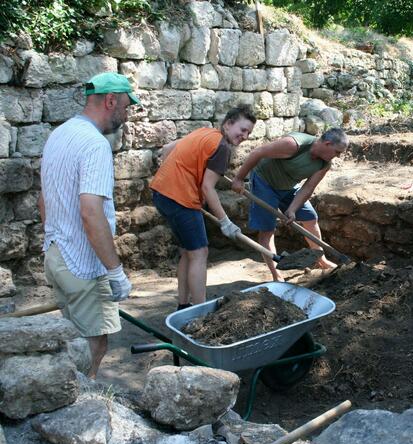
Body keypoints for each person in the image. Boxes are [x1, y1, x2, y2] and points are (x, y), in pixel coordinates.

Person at [39, 72, 139, 379]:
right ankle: (81, 409)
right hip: (83, 265)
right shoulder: (95, 145)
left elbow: (44, 199)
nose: (126, 114)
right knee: (93, 347)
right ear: (110, 101)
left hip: (56, 255)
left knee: (73, 342)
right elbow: (91, 213)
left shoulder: (60, 134)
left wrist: (55, 237)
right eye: (125, 106)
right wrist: (114, 271)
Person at [150, 105, 256, 310]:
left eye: (249, 133)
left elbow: (167, 149)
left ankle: (183, 305)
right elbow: (208, 188)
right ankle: (201, 311)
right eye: (242, 130)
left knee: (188, 252)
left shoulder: (204, 132)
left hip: (161, 193)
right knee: (200, 253)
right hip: (181, 199)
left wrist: (173, 173)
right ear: (228, 123)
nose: (245, 136)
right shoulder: (223, 147)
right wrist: (225, 221)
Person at [231, 128, 349, 282]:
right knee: (267, 230)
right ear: (327, 143)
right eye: (337, 152)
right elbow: (257, 153)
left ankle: (321, 260)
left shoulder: (324, 164)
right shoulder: (294, 144)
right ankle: (276, 274)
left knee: (310, 218)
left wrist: (292, 209)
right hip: (265, 183)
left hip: (288, 186)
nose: (338, 156)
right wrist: (239, 178)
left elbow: (307, 188)